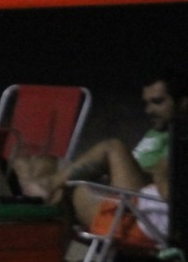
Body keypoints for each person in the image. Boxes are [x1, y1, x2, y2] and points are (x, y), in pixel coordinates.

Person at [15, 72, 186, 238]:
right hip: (127, 188)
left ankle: (46, 186)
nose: (149, 110)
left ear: (184, 103)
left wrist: (129, 168)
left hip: (144, 205)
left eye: (158, 102)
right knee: (45, 163)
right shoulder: (159, 131)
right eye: (146, 103)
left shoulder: (181, 136)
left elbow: (168, 179)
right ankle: (44, 255)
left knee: (113, 147)